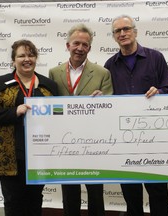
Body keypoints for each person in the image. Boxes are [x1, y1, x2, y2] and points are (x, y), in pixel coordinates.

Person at [104, 15, 168, 216]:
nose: (123, 33)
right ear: (114, 36)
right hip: (124, 139)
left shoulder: (155, 58)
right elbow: (108, 99)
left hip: (155, 138)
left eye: (126, 29)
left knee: (158, 190)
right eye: (118, 31)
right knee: (130, 192)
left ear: (135, 31)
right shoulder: (110, 64)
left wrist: (159, 92)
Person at [0, 39, 58, 216]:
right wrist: (14, 111)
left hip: (39, 155)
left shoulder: (49, 85)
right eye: (21, 55)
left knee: (35, 200)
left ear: (36, 58)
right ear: (13, 60)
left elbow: (60, 115)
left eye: (31, 55)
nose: (27, 59)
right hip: (9, 155)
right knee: (13, 201)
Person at [49, 23, 113, 216]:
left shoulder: (102, 73)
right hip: (64, 144)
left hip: (93, 143)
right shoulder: (54, 72)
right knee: (69, 194)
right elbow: (51, 106)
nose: (80, 48)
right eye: (76, 43)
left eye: (85, 45)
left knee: (95, 193)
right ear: (68, 45)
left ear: (90, 48)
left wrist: (103, 101)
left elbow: (111, 107)